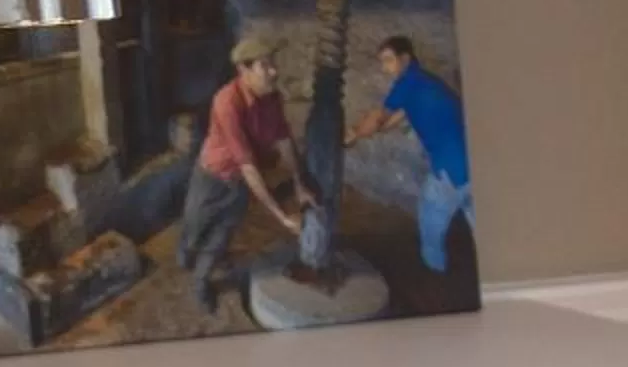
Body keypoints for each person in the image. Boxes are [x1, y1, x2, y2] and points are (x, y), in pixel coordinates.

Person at [177, 32, 316, 315]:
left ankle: (201, 282)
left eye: (272, 63)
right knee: (194, 228)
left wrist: (300, 184)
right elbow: (248, 165)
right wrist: (281, 217)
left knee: (221, 235)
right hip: (212, 177)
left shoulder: (271, 97)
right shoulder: (227, 102)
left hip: (239, 182)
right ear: (244, 70)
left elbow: (284, 141)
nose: (274, 71)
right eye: (265, 66)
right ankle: (187, 252)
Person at [350, 35, 474, 273]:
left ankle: (434, 271)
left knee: (430, 217)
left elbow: (379, 118)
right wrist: (372, 132)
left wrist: (354, 134)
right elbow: (398, 115)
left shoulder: (406, 83)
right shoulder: (424, 82)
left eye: (388, 61)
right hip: (473, 162)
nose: (385, 68)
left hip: (451, 168)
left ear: (405, 58)